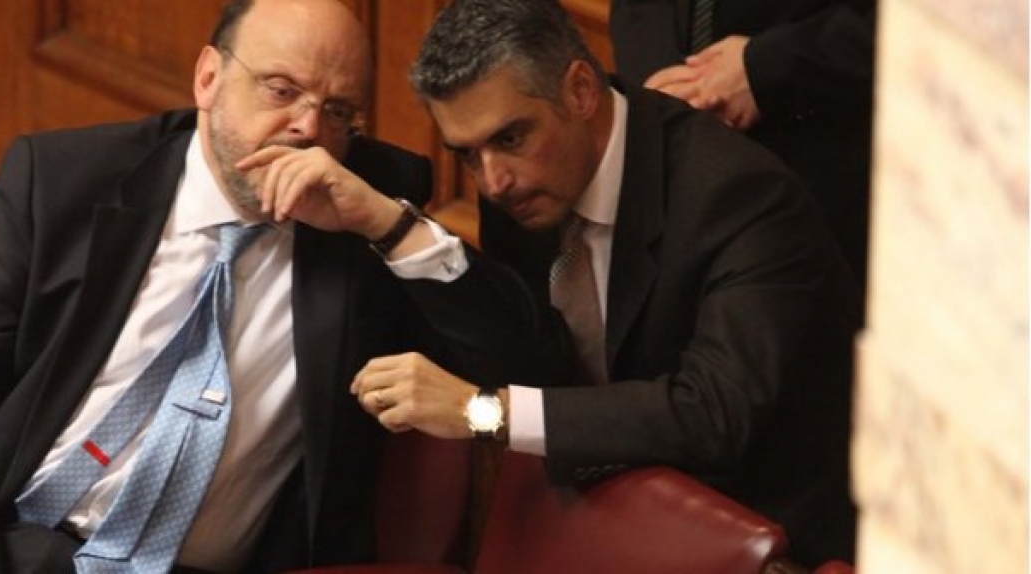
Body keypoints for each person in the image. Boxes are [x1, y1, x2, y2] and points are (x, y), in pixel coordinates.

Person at [0, 0, 564, 572]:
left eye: (338, 111)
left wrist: (388, 226)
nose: (307, 128)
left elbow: (523, 364)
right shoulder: (61, 181)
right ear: (209, 78)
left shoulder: (366, 214)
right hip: (13, 547)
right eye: (281, 90)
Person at [351, 0, 858, 565]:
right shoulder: (520, 184)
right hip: (606, 515)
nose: (492, 181)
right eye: (467, 156)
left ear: (580, 91)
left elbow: (710, 414)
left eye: (511, 138)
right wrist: (395, 229)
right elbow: (531, 355)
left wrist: (482, 411)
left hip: (759, 538)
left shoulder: (739, 197)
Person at [608, 0, 876, 289]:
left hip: (827, 181)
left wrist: (765, 66)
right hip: (681, 176)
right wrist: (665, 85)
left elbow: (900, 27)